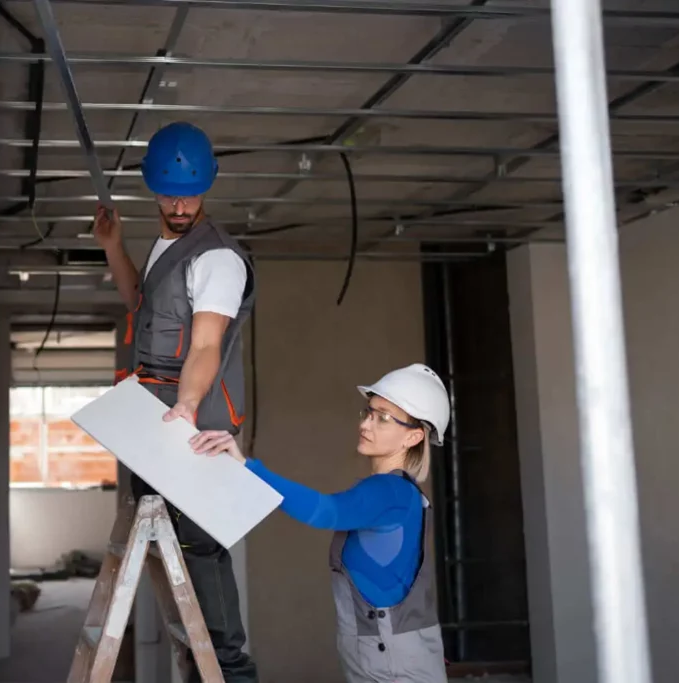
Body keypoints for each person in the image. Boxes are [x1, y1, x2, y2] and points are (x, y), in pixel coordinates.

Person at [93, 121, 259, 683]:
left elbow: (207, 344)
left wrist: (186, 406)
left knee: (202, 561)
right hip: (153, 428)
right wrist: (113, 248)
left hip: (189, 430)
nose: (181, 204)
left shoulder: (217, 259)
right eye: (169, 193)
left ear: (208, 186)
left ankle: (233, 676)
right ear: (154, 190)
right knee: (175, 565)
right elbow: (142, 303)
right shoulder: (170, 246)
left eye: (189, 193)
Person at [190, 363, 452, 683]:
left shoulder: (389, 492)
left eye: (383, 417)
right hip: (391, 657)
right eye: (368, 412)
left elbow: (326, 511)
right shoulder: (400, 493)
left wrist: (247, 465)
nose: (367, 424)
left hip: (394, 665)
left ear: (413, 436)